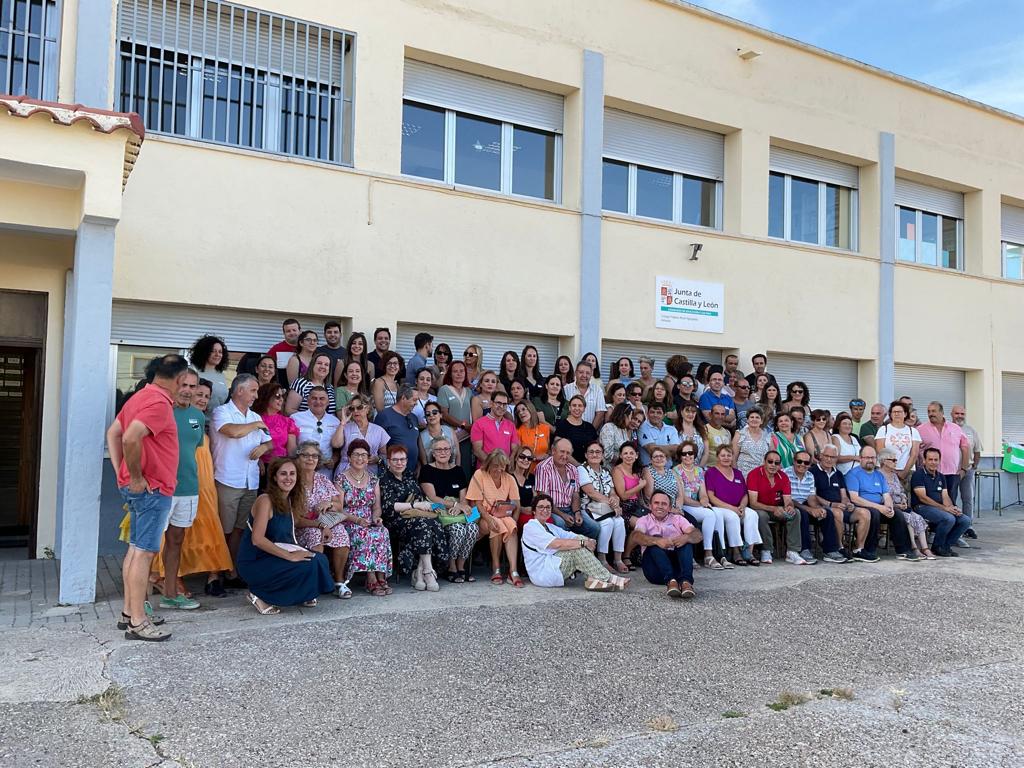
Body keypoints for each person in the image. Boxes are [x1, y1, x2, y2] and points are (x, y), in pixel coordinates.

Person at [108, 354, 189, 641]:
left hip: (144, 488)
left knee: (135, 550)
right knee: (143, 553)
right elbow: (129, 437)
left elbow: (113, 433)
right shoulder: (157, 403)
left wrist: (124, 473)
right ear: (179, 379)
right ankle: (138, 623)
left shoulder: (139, 397)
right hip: (152, 490)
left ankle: (130, 613)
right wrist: (137, 477)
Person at [235, 458, 333, 615]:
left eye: (292, 474)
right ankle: (259, 595)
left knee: (319, 559)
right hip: (255, 560)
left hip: (275, 554)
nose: (288, 478)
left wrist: (321, 525)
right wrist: (290, 556)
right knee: (304, 564)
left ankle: (303, 594)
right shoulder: (265, 500)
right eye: (283, 474)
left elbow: (295, 520)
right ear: (274, 477)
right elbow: (257, 539)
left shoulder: (288, 499)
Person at [211, 374, 273, 580]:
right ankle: (214, 574)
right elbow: (232, 432)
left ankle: (231, 570)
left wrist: (264, 446)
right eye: (253, 390)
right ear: (239, 391)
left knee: (239, 529)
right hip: (228, 479)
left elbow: (270, 442)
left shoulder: (255, 417)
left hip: (250, 481)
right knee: (223, 530)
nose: (256, 395)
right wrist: (256, 426)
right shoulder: (222, 411)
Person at [155, 368, 204, 611]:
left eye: (192, 386)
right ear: (174, 385)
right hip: (160, 489)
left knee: (176, 541)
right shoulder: (160, 410)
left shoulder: (198, 416)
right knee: (146, 546)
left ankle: (171, 594)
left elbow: (193, 451)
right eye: (183, 385)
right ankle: (139, 604)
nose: (187, 390)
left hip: (188, 488)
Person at [522, 493, 629, 591]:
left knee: (580, 539)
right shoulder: (530, 527)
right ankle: (607, 577)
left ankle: (593, 580)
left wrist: (587, 540)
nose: (545, 510)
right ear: (534, 511)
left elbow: (571, 536)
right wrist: (583, 543)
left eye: (548, 507)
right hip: (543, 573)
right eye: (541, 507)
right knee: (576, 548)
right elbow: (557, 544)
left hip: (552, 566)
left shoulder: (550, 527)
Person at [378, 444, 449, 590]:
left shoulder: (409, 475)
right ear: (389, 461)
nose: (399, 463)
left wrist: (419, 504)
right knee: (423, 524)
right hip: (396, 520)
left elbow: (418, 496)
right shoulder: (384, 479)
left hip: (415, 518)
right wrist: (415, 506)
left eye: (402, 459)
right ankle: (427, 572)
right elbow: (389, 506)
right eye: (395, 460)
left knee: (432, 523)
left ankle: (419, 572)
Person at [292, 441, 352, 598]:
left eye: (314, 456)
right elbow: (295, 518)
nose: (310, 459)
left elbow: (339, 505)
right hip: (304, 525)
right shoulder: (293, 480)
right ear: (298, 458)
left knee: (341, 534)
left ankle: (339, 582)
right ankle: (316, 582)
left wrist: (330, 503)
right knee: (315, 536)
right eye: (306, 455)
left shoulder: (323, 479)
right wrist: (320, 525)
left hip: (327, 522)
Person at [419, 436, 478, 582]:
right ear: (433, 453)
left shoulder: (458, 470)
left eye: (446, 449)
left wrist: (461, 507)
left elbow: (463, 496)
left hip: (458, 508)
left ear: (451, 452)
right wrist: (455, 505)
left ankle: (461, 566)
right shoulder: (427, 470)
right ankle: (450, 567)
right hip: (439, 508)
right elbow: (432, 497)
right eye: (439, 449)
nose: (443, 452)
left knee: (472, 529)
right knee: (458, 529)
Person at [337, 439, 393, 594]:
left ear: (368, 458)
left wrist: (376, 518)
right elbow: (338, 509)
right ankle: (371, 579)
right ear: (349, 457)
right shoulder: (341, 479)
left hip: (368, 520)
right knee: (365, 534)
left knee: (382, 531)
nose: (360, 458)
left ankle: (381, 577)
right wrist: (357, 520)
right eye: (356, 454)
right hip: (349, 520)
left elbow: (376, 507)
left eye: (364, 455)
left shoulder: (373, 479)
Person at [625, 490, 699, 599]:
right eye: (656, 503)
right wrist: (657, 541)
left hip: (677, 569)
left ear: (669, 508)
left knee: (686, 542)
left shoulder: (678, 519)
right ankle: (671, 582)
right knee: (654, 542)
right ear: (650, 506)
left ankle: (686, 582)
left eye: (664, 504)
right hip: (655, 570)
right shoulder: (643, 520)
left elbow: (698, 535)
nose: (660, 506)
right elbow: (636, 536)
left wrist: (687, 537)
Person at [846, 445, 915, 562]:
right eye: (867, 457)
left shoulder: (879, 475)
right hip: (862, 508)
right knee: (874, 513)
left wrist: (889, 507)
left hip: (879, 507)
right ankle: (868, 550)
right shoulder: (853, 474)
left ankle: (903, 550)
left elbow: (886, 495)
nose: (870, 460)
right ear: (860, 458)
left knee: (897, 514)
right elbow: (854, 498)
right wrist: (880, 507)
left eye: (873, 458)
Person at [466, 449, 524, 586]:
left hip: (501, 515)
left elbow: (517, 504)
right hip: (480, 515)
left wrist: (513, 521)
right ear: (489, 464)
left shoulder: (509, 478)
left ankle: (513, 571)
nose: (499, 469)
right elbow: (476, 504)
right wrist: (488, 518)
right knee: (497, 525)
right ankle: (496, 568)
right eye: (495, 465)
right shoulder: (479, 474)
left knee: (511, 527)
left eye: (502, 466)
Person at [675, 441, 732, 570]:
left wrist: (704, 501)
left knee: (717, 514)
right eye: (684, 454)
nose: (688, 456)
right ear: (680, 456)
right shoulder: (676, 471)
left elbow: (703, 493)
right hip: (684, 506)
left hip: (697, 505)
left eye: (691, 453)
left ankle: (721, 554)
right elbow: (682, 498)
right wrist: (701, 504)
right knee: (710, 515)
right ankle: (708, 554)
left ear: (695, 455)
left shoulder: (699, 471)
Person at [911, 447, 973, 558]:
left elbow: (945, 496)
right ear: (924, 460)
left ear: (939, 461)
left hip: (939, 508)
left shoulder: (941, 476)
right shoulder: (918, 475)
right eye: (930, 459)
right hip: (922, 507)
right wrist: (945, 509)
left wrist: (952, 508)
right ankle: (937, 547)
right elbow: (923, 498)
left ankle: (946, 546)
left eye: (936, 460)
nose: (933, 462)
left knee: (965, 520)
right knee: (948, 518)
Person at [534, 437, 600, 539]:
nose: (565, 456)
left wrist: (577, 513)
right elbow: (544, 498)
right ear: (553, 450)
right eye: (562, 452)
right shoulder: (543, 468)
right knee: (561, 524)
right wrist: (563, 515)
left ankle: (583, 552)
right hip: (551, 510)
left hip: (571, 509)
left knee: (594, 528)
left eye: (568, 453)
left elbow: (575, 495)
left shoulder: (573, 469)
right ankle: (565, 553)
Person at [785, 449, 843, 564]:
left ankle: (830, 550)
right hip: (789, 504)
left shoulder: (810, 476)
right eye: (799, 461)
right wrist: (810, 510)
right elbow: (788, 499)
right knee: (803, 514)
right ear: (794, 461)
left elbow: (811, 498)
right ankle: (804, 550)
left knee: (827, 513)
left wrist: (817, 509)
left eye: (806, 463)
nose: (802, 465)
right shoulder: (785, 474)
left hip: (805, 504)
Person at [746, 450, 804, 565]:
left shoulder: (783, 476)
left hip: (777, 508)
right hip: (760, 508)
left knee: (795, 513)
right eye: (770, 461)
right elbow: (753, 503)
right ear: (764, 462)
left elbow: (788, 499)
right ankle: (766, 550)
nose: (773, 465)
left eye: (776, 463)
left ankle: (792, 551)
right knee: (761, 515)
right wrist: (774, 509)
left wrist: (789, 507)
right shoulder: (754, 474)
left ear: (779, 465)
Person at [704, 444, 759, 566]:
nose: (726, 458)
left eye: (729, 455)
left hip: (738, 507)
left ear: (733, 457)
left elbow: (745, 494)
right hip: (720, 508)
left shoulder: (738, 473)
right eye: (723, 455)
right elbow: (711, 497)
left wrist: (743, 507)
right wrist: (732, 508)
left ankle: (748, 552)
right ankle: (736, 552)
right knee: (733, 517)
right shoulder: (711, 473)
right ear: (717, 457)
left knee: (752, 515)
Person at [578, 441, 628, 573]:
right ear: (586, 455)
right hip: (588, 507)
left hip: (604, 507)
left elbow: (612, 491)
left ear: (603, 455)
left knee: (620, 521)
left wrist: (615, 501)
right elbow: (590, 492)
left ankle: (618, 559)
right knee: (607, 522)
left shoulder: (605, 471)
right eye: (591, 452)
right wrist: (612, 504)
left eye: (598, 452)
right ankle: (602, 559)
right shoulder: (582, 469)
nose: (594, 454)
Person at [878, 448, 934, 560]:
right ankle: (913, 548)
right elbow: (879, 496)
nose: (895, 462)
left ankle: (925, 548)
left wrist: (904, 500)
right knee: (907, 518)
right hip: (889, 507)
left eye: (895, 460)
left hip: (901, 506)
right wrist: (896, 505)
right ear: (884, 461)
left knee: (917, 517)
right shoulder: (878, 475)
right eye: (893, 460)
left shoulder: (894, 475)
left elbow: (901, 491)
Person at [916, 402, 970, 506]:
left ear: (942, 412)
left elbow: (965, 447)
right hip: (930, 473)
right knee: (933, 502)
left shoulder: (955, 428)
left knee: (951, 502)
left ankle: (952, 521)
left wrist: (964, 469)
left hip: (952, 473)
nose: (931, 414)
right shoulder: (920, 429)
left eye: (933, 411)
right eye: (929, 411)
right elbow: (915, 450)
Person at [811, 444, 858, 562]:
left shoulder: (838, 474)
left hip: (839, 507)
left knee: (864, 513)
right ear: (820, 456)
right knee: (837, 513)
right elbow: (813, 495)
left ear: (836, 459)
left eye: (832, 457)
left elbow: (843, 495)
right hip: (822, 507)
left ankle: (860, 549)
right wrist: (831, 504)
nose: (829, 459)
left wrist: (847, 503)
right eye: (826, 456)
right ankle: (839, 547)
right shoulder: (812, 471)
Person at [332, 395, 388, 475]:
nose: (355, 411)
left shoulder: (379, 430)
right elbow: (336, 444)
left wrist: (377, 459)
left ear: (367, 409)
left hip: (370, 473)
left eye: (359, 407)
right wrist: (343, 422)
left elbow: (384, 454)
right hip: (346, 473)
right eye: (352, 408)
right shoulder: (345, 428)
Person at [437, 360, 475, 478]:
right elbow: (444, 414)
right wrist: (463, 425)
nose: (459, 374)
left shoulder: (469, 391)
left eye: (461, 371)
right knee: (450, 467)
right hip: (451, 436)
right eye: (455, 371)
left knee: (465, 468)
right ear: (450, 374)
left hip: (467, 436)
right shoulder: (444, 389)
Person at [290, 387, 340, 478]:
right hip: (302, 471)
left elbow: (338, 449)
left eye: (322, 398)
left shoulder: (335, 422)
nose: (318, 402)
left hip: (325, 472)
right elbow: (291, 447)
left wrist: (334, 460)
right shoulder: (295, 418)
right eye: (314, 398)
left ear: (328, 402)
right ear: (308, 401)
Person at [252, 382, 299, 471]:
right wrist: (258, 460)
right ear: (266, 397)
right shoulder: (253, 419)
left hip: (281, 467)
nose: (281, 399)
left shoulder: (287, 422)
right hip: (257, 466)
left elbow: (292, 451)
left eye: (282, 396)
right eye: (277, 396)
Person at [374, 386, 422, 471]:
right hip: (391, 473)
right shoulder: (384, 416)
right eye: (414, 400)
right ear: (403, 398)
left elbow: (416, 443)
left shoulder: (414, 418)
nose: (416, 403)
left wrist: (418, 463)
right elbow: (375, 444)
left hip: (412, 472)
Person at [874, 401, 920, 483]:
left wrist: (904, 472)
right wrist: (891, 470)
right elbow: (880, 451)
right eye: (894, 412)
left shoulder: (913, 431)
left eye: (899, 412)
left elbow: (914, 454)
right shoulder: (883, 429)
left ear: (905, 414)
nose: (896, 414)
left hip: (907, 471)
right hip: (885, 470)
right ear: (890, 414)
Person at [951, 404, 982, 528]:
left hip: (968, 470)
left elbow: (977, 450)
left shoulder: (971, 430)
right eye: (957, 413)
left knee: (968, 498)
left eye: (962, 414)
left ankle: (968, 526)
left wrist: (974, 465)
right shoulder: (947, 428)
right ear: (951, 414)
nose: (959, 416)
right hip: (951, 471)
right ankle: (952, 523)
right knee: (951, 498)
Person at [471, 389, 519, 467]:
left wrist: (509, 463)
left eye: (504, 404)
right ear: (491, 404)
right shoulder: (478, 424)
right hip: (485, 470)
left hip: (504, 470)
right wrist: (494, 466)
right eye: (498, 403)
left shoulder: (511, 425)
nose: (502, 407)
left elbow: (515, 448)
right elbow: (477, 451)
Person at [611, 441, 648, 534]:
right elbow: (623, 496)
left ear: (637, 455)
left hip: (636, 506)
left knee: (656, 522)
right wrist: (640, 486)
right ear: (620, 456)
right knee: (643, 527)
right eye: (625, 453)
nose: (628, 456)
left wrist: (645, 506)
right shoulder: (617, 470)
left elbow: (638, 495)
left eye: (631, 453)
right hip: (624, 509)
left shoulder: (636, 472)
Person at [554, 394, 599, 464]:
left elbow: (596, 448)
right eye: (574, 405)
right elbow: (558, 450)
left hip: (588, 467)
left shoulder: (589, 427)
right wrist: (579, 466)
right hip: (568, 466)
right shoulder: (562, 425)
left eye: (580, 406)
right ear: (569, 408)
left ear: (584, 408)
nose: (577, 408)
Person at [189, 334, 230, 411]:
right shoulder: (192, 371)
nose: (217, 354)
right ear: (204, 352)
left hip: (216, 420)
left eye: (220, 352)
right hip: (195, 418)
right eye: (213, 351)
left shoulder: (221, 375)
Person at [564, 360, 607, 428]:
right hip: (569, 431)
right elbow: (564, 412)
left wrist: (589, 432)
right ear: (576, 373)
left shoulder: (598, 390)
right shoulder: (566, 389)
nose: (584, 375)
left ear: (591, 374)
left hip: (590, 433)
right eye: (581, 372)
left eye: (587, 373)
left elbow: (600, 414)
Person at [732, 406, 772, 477]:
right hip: (742, 475)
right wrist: (737, 476)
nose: (754, 419)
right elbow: (733, 457)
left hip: (761, 475)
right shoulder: (740, 434)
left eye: (757, 417)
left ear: (761, 421)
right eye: (752, 417)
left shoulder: (768, 436)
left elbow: (771, 457)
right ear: (747, 420)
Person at [600, 402, 641, 469]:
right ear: (625, 416)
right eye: (630, 417)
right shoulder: (608, 427)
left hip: (623, 467)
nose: (630, 420)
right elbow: (607, 454)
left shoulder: (623, 429)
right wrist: (624, 462)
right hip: (610, 469)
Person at [420, 403, 461, 469]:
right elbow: (424, 461)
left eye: (434, 412)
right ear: (425, 417)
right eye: (428, 413)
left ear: (441, 415)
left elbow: (457, 454)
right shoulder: (421, 436)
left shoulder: (450, 430)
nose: (431, 415)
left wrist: (457, 470)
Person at [639, 402, 680, 467]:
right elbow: (651, 449)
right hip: (649, 469)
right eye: (652, 412)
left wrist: (656, 447)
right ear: (647, 414)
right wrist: (670, 449)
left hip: (668, 469)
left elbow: (676, 449)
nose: (655, 415)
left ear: (664, 415)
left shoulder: (671, 429)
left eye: (659, 413)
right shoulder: (642, 428)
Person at [515, 400, 551, 467]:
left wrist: (547, 455)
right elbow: (519, 454)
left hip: (544, 469)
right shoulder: (517, 431)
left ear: (530, 409)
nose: (521, 413)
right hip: (527, 470)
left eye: (523, 409)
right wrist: (535, 457)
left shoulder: (545, 428)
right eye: (518, 412)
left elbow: (548, 450)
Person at [509, 443, 537, 529]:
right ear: (515, 458)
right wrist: (521, 509)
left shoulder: (532, 477)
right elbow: (505, 501)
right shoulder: (508, 477)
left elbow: (535, 498)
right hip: (514, 514)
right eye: (522, 456)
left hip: (531, 513)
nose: (526, 460)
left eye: (529, 458)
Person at [267, 318, 301, 386]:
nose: (292, 333)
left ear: (300, 331)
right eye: (288, 331)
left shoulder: (306, 348)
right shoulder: (276, 349)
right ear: (284, 333)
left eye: (294, 330)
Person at [676, 401, 708, 467]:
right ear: (681, 413)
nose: (690, 414)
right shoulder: (675, 430)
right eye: (687, 411)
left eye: (693, 412)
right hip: (680, 469)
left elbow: (706, 453)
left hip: (700, 469)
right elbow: (676, 454)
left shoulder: (702, 429)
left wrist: (699, 469)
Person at [316, 320, 347, 385]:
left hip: (340, 391)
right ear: (324, 335)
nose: (332, 335)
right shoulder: (317, 352)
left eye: (335, 332)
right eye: (329, 332)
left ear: (340, 335)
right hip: (320, 389)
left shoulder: (347, 353)